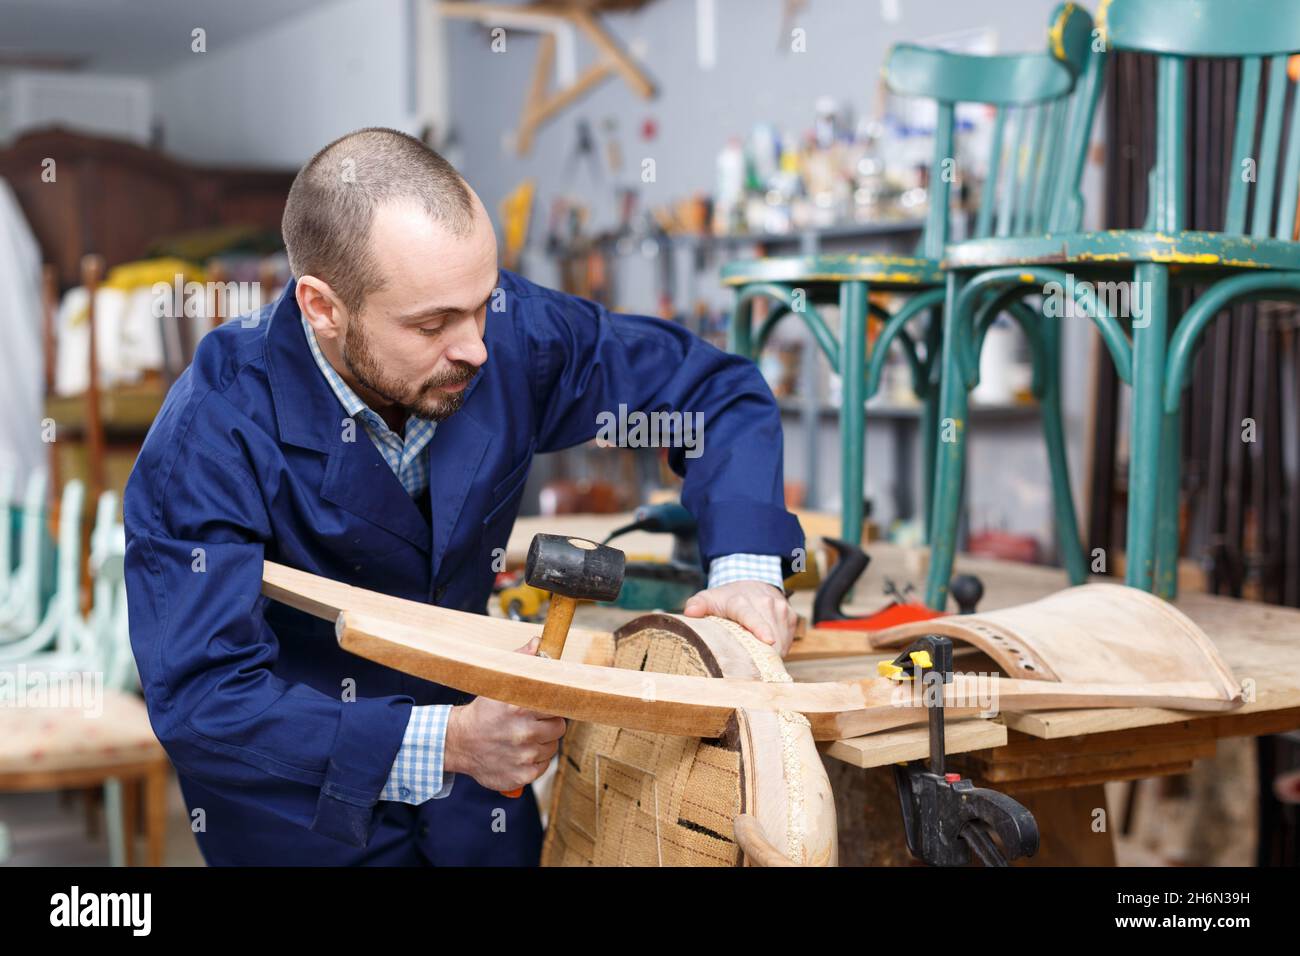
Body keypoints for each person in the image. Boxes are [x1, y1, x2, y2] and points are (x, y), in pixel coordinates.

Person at [124, 127, 804, 865]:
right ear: (323, 308)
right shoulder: (211, 428)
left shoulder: (500, 330)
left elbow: (713, 396)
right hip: (303, 811)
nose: (476, 347)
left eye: (483, 301)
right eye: (433, 323)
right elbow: (203, 702)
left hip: (480, 811)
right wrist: (448, 743)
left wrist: (743, 567)